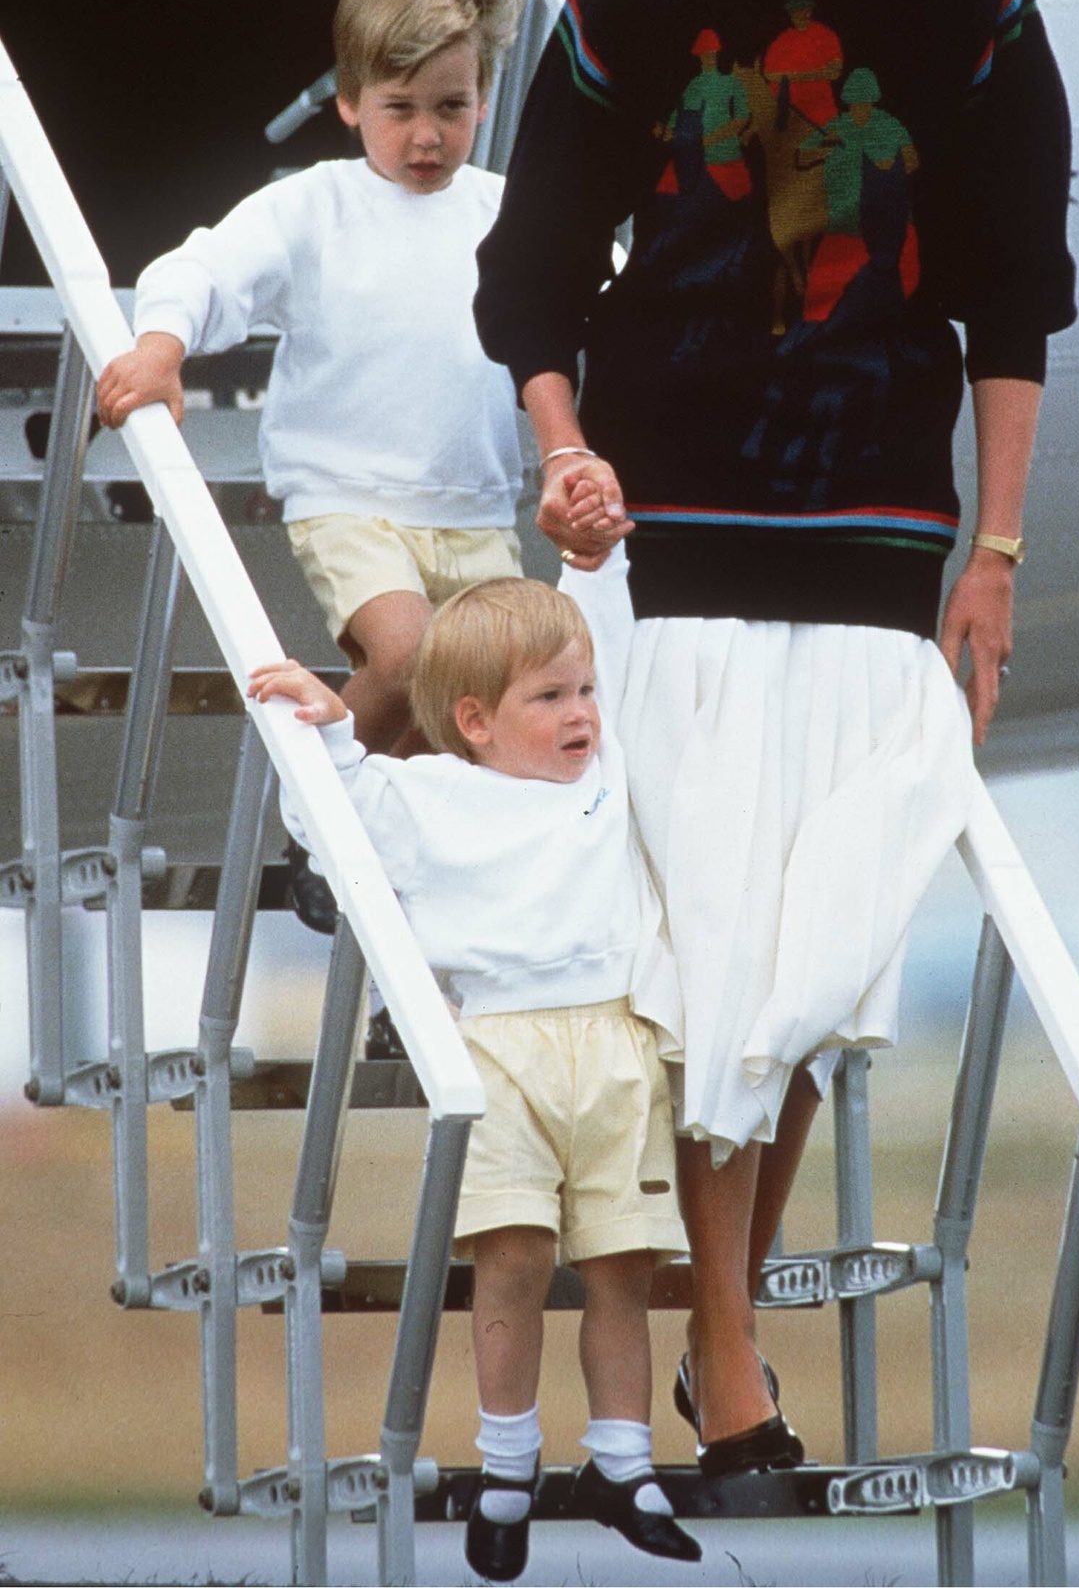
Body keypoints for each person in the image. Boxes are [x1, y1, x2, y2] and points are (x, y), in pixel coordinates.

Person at [473, 0, 1075, 1476]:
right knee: (711, 955)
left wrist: (996, 555)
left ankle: (718, 1343)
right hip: (675, 533)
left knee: (809, 967)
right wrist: (564, 448)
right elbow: (531, 273)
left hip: (886, 530)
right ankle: (725, 1358)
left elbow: (1013, 294)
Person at [247, 558, 700, 1582]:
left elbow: (620, 633)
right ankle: (508, 1465)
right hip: (495, 1046)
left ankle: (623, 1463)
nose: (580, 711)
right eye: (549, 696)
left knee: (623, 1265)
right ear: (476, 719)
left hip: (616, 1043)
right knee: (513, 1260)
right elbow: (333, 812)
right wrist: (323, 724)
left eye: (582, 689)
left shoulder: (615, 776)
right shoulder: (433, 794)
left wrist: (594, 553)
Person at [96, 0, 525, 763]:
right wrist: (162, 347)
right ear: (351, 102)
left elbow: (608, 297)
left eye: (452, 106)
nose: (428, 134)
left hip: (474, 508)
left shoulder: (505, 210)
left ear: (484, 99)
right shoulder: (316, 206)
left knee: (470, 720)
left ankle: (373, 858)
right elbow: (206, 269)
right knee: (404, 659)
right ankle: (314, 806)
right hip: (348, 497)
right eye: (400, 107)